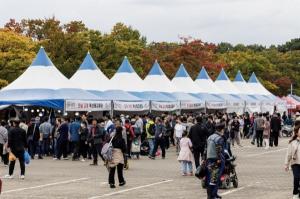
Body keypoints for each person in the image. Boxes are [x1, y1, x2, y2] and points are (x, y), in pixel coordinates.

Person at [206, 122, 225, 199]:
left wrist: (204, 158)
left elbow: (206, 148)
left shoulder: (210, 137)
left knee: (211, 177)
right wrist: (219, 159)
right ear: (222, 129)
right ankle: (212, 195)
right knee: (215, 178)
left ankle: (214, 194)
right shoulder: (219, 138)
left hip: (209, 158)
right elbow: (219, 150)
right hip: (216, 159)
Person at [284, 120, 300, 199]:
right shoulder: (292, 142)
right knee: (297, 177)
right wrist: (286, 164)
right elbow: (288, 154)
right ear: (297, 133)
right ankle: (295, 193)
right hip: (295, 163)